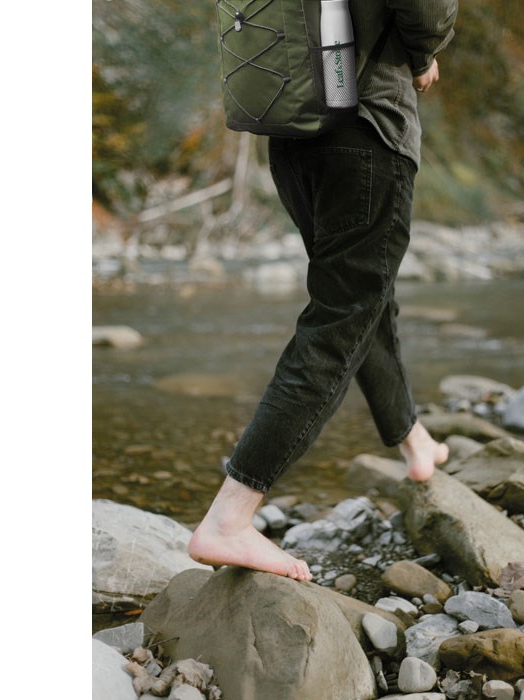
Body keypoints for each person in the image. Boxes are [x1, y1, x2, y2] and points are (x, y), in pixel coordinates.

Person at [188, 0, 459, 580]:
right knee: (341, 319)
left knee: (363, 298)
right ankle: (229, 518)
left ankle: (413, 441)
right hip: (366, 127)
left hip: (292, 130)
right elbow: (427, 10)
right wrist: (423, 56)